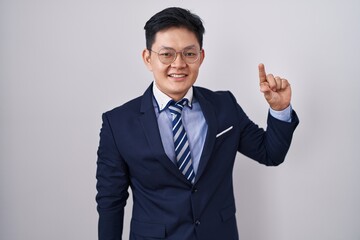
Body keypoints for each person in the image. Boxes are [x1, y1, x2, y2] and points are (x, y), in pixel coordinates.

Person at [96, 7, 299, 240]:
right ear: (148, 58)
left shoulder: (224, 106)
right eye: (167, 54)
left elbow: (270, 153)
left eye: (189, 54)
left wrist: (280, 108)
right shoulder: (118, 123)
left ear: (201, 57)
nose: (179, 63)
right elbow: (110, 201)